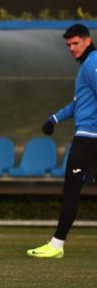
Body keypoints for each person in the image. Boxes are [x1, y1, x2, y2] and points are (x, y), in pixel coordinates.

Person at [27, 23, 97, 259]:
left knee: (71, 191)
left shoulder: (92, 62)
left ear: (87, 40)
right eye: (68, 45)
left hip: (88, 140)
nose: (71, 48)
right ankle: (57, 244)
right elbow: (81, 103)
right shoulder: (87, 66)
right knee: (72, 191)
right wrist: (55, 119)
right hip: (88, 138)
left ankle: (56, 245)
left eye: (75, 43)